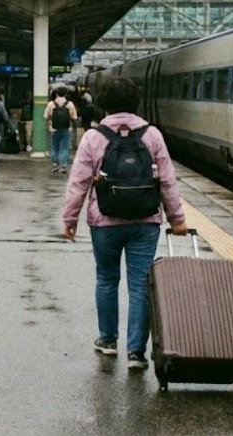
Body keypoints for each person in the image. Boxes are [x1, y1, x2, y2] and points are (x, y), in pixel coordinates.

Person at [61, 75, 186, 371]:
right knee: (141, 285)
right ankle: (135, 353)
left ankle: (107, 340)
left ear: (103, 103)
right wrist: (177, 218)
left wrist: (70, 219)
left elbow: (78, 182)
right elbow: (167, 180)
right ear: (136, 101)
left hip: (104, 220)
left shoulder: (94, 137)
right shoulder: (152, 135)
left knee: (106, 279)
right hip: (145, 220)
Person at [46, 86, 79, 174]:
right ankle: (63, 166)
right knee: (64, 147)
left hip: (53, 128)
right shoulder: (70, 104)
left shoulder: (50, 104)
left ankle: (55, 164)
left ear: (56, 93)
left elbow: (45, 116)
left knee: (54, 146)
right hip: (66, 128)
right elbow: (75, 117)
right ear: (66, 94)